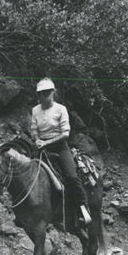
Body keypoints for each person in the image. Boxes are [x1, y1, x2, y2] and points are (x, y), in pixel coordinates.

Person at [29, 78, 91, 226]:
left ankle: (83, 208)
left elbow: (65, 134)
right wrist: (37, 139)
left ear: (53, 93)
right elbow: (33, 129)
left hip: (60, 146)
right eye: (40, 94)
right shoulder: (35, 110)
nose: (43, 96)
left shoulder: (60, 109)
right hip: (41, 147)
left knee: (71, 176)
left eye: (46, 93)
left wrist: (47, 142)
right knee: (27, 171)